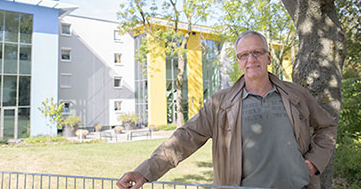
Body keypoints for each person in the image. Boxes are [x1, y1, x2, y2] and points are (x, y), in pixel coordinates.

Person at [116, 31, 337, 189]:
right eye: (244, 55)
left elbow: (327, 125)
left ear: (268, 57)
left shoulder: (296, 95)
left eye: (257, 53)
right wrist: (145, 171)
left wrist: (314, 162)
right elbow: (184, 139)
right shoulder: (220, 103)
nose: (251, 59)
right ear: (239, 62)